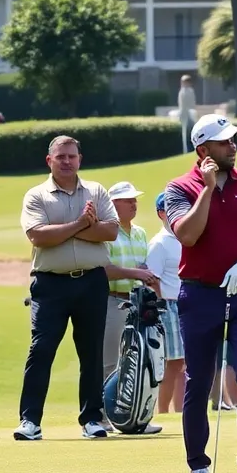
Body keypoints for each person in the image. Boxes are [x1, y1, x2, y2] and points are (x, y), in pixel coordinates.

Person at [164, 114, 237, 473]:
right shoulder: (180, 188)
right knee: (199, 380)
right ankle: (197, 465)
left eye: (234, 139)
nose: (233, 145)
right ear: (203, 150)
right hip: (199, 293)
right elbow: (188, 235)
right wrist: (208, 190)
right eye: (225, 141)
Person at [15, 136, 121, 441]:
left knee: (91, 353)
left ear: (79, 159)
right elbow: (39, 236)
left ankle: (91, 419)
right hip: (51, 284)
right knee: (42, 349)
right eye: (60, 157)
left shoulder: (96, 191)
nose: (66, 161)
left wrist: (70, 230)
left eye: (71, 156)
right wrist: (82, 224)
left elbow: (111, 231)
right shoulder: (37, 195)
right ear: (49, 161)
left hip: (91, 282)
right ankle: (30, 421)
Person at [102, 181, 164, 435]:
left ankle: (138, 415)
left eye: (134, 200)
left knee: (140, 360)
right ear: (113, 204)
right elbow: (104, 270)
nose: (133, 204)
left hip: (137, 304)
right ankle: (102, 418)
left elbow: (144, 268)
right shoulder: (106, 232)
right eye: (127, 200)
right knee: (109, 363)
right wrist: (137, 272)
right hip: (112, 300)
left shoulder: (139, 232)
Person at [147, 193, 185, 414]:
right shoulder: (159, 243)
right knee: (172, 363)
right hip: (169, 306)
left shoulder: (185, 238)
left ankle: (181, 411)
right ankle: (163, 411)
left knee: (184, 364)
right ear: (161, 213)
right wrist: (161, 307)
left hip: (186, 306)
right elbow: (152, 280)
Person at [178, 75, 198, 154]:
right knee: (185, 134)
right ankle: (185, 151)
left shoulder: (189, 91)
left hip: (190, 113)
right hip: (184, 115)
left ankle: (194, 148)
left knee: (192, 132)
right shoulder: (182, 91)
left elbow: (192, 103)